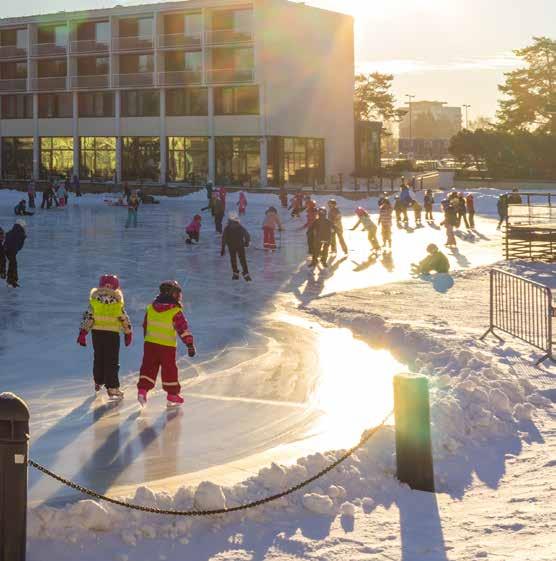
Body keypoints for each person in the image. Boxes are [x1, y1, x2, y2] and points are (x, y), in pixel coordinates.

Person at [137, 280, 196, 408]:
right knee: (169, 369)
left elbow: (145, 325)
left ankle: (142, 390)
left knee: (148, 367)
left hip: (150, 344)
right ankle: (172, 394)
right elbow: (182, 329)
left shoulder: (151, 308)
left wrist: (147, 338)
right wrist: (189, 344)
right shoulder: (175, 311)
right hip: (167, 347)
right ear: (173, 295)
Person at [77, 275, 133, 400]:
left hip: (97, 334)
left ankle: (98, 381)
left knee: (99, 358)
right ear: (116, 287)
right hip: (112, 335)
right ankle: (112, 387)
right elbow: (123, 318)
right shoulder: (117, 301)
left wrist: (83, 332)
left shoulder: (95, 300)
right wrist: (128, 332)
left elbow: (89, 317)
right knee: (111, 361)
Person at [221, 213, 252, 281]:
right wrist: (247, 242)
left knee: (233, 259)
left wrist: (223, 248)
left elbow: (224, 238)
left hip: (231, 246)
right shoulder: (240, 227)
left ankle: (235, 274)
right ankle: (246, 273)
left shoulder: (227, 228)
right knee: (242, 260)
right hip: (240, 245)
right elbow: (247, 235)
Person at [4, 219, 26, 288]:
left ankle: (11, 281)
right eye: (24, 226)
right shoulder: (20, 232)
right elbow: (17, 244)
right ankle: (12, 281)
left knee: (12, 264)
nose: (25, 227)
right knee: (13, 264)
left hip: (7, 250)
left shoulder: (12, 231)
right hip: (11, 250)